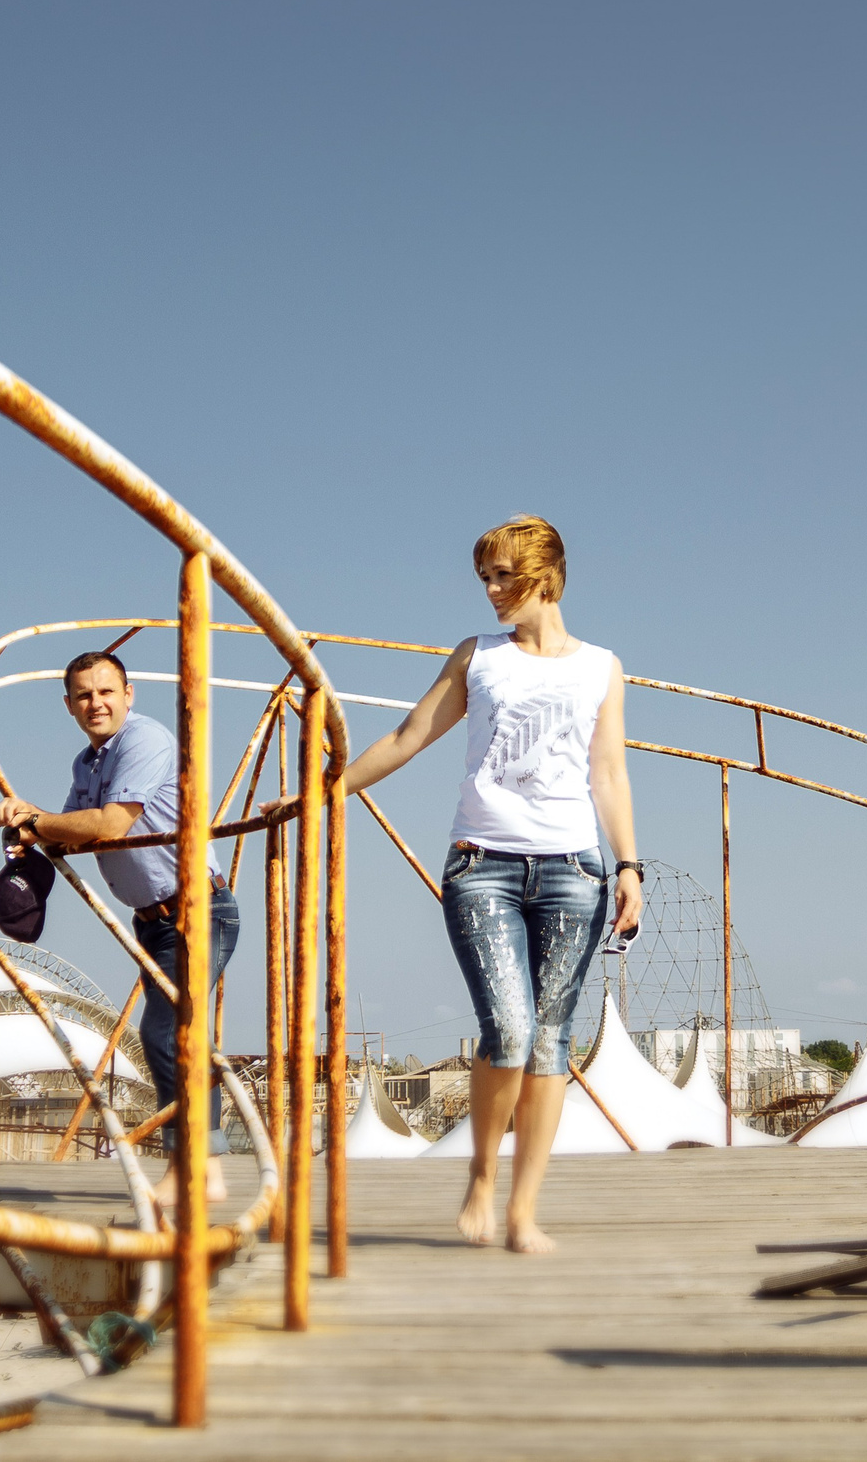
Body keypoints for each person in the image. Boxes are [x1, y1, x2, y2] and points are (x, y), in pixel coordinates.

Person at [340, 515, 645, 1253]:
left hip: (575, 870)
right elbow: (410, 736)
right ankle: (481, 1177)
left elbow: (608, 773)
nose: (491, 589)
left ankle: (523, 1211)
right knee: (508, 1028)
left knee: (550, 1042)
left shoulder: (601, 667)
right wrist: (327, 792)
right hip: (485, 865)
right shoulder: (478, 658)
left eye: (503, 574)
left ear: (544, 574)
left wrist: (630, 865)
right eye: (485, 576)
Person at [0, 649, 236, 1204]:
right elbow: (66, 832)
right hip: (155, 920)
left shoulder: (143, 741)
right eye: (83, 695)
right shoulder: (88, 763)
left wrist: (37, 819)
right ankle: (210, 1171)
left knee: (168, 1032)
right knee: (183, 1035)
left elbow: (106, 824)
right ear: (69, 706)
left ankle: (191, 1170)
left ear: (129, 695)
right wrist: (25, 822)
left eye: (106, 691)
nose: (95, 702)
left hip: (198, 909)